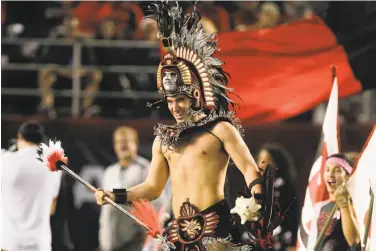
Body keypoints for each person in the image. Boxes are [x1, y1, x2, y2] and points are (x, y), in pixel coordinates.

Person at [95, 2, 280, 250]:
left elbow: (248, 168)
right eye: (170, 101)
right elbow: (152, 188)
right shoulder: (163, 139)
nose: (175, 107)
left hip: (216, 230)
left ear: (194, 94)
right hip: (177, 232)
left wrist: (257, 200)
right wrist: (115, 195)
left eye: (180, 100)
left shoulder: (221, 129)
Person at [99, 126, 171, 251]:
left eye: (127, 141)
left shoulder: (146, 169)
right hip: (108, 243)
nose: (123, 146)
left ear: (136, 144)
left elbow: (158, 208)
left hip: (135, 244)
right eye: (119, 142)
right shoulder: (109, 171)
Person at [1, 121, 62, 251]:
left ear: (20, 137)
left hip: (10, 243)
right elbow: (52, 208)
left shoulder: (5, 160)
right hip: (40, 244)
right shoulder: (54, 167)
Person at [315, 153, 361, 251]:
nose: (330, 174)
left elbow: (354, 242)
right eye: (327, 170)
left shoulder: (354, 205)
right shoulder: (325, 207)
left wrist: (344, 204)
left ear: (347, 177)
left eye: (337, 170)